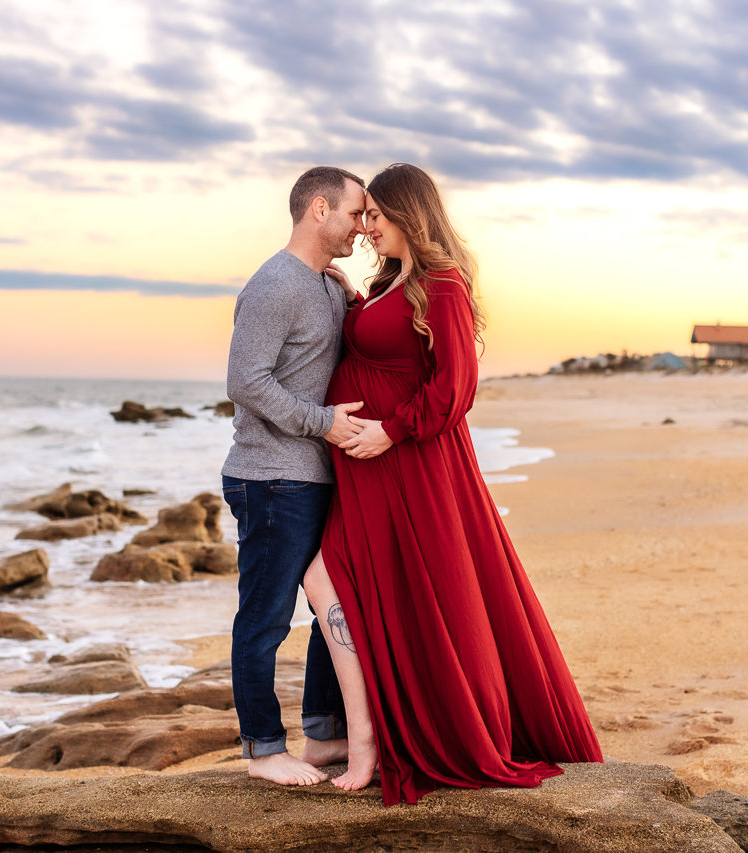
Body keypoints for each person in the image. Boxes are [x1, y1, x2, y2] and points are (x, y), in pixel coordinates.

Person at [301, 163, 603, 806]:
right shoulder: (390, 284)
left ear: (412, 215)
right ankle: (360, 733)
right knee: (336, 578)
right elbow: (383, 351)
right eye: (365, 215)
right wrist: (347, 296)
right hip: (369, 472)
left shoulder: (443, 284)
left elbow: (456, 388)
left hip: (412, 466)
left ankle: (381, 737)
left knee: (400, 589)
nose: (368, 227)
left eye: (377, 215)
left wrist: (391, 430)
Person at [221, 165, 368, 786]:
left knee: (330, 604)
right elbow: (245, 381)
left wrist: (354, 298)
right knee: (265, 617)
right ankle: (262, 750)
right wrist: (324, 423)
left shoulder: (328, 286)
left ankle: (324, 735)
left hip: (313, 476)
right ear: (318, 208)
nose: (364, 226)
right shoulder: (273, 284)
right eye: (356, 213)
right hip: (272, 479)